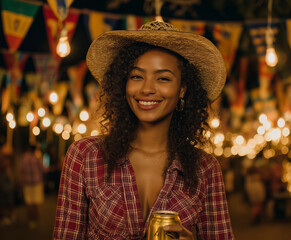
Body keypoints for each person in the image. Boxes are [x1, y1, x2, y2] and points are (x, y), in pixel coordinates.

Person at [53, 21, 234, 239]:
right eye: (137, 76)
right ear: (123, 83)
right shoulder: (84, 156)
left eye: (163, 78)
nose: (147, 89)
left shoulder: (205, 170)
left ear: (183, 89)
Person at [20, 143, 45, 228]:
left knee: (29, 202)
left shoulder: (24, 158)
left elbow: (21, 170)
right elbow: (43, 169)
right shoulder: (37, 158)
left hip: (27, 183)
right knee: (36, 202)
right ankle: (36, 219)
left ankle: (30, 220)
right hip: (37, 183)